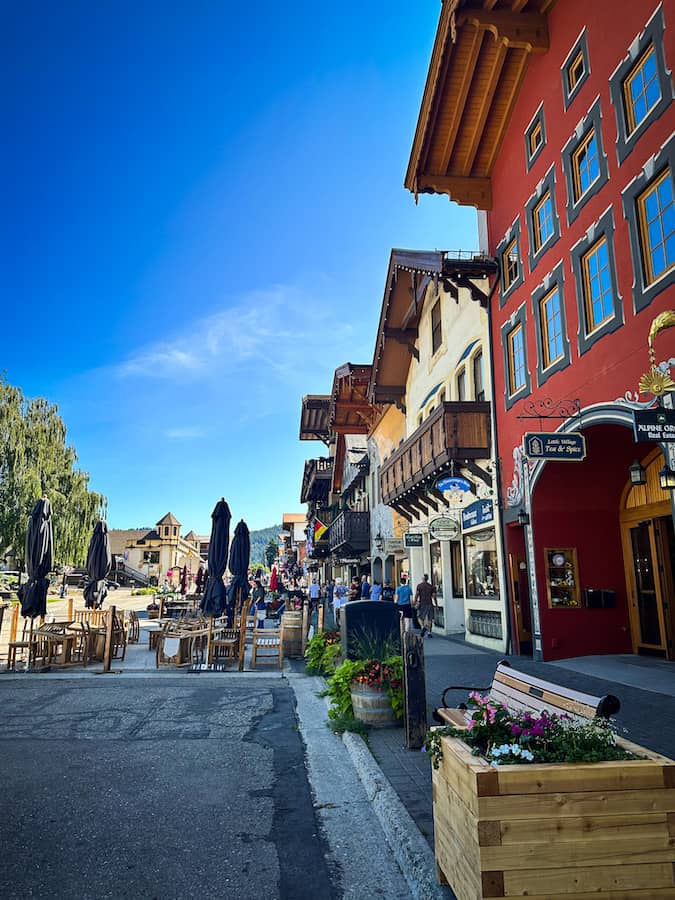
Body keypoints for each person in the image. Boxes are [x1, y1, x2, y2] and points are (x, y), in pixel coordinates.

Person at [414, 573, 438, 638]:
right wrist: (436, 604)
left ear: (422, 579)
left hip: (422, 603)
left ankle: (423, 627)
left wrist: (415, 602)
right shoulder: (431, 586)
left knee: (419, 616)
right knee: (430, 619)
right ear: (427, 579)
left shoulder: (419, 586)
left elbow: (417, 595)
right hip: (429, 603)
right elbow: (434, 596)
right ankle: (429, 633)